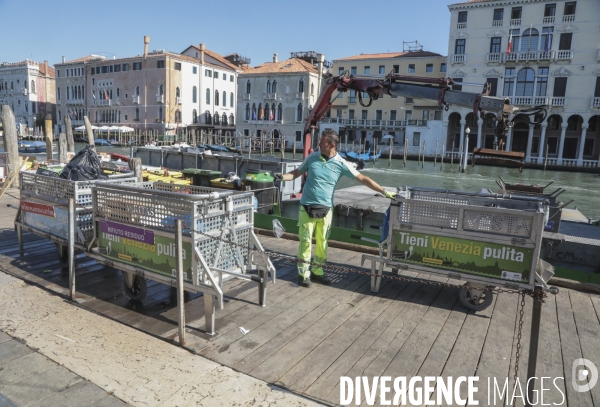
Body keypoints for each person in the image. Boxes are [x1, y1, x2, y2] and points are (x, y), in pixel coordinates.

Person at [275, 129, 397, 288]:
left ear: (331, 144)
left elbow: (363, 179)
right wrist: (282, 177)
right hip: (306, 207)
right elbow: (296, 173)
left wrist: (384, 191)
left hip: (326, 209)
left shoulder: (341, 163)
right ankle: (303, 274)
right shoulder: (312, 158)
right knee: (305, 241)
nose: (318, 144)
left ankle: (317, 272)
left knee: (322, 242)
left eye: (322, 142)